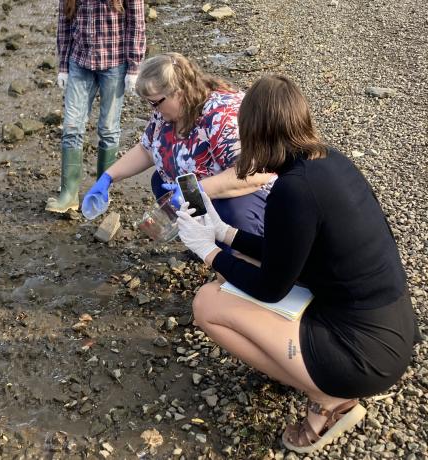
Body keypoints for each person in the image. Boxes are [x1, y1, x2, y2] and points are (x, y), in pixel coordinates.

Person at [175, 75, 417, 453]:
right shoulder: (328, 161)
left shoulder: (294, 190)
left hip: (363, 356)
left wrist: (207, 252)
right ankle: (317, 376)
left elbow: (273, 287)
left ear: (254, 132)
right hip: (391, 327)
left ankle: (328, 398)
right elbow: (287, 252)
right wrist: (223, 234)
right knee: (234, 266)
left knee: (207, 304)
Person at [81, 52, 275, 236]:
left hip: (257, 196)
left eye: (155, 102)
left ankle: (241, 256)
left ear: (179, 93)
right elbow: (147, 150)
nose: (152, 109)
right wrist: (108, 177)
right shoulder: (167, 112)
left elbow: (254, 173)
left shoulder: (220, 115)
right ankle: (206, 240)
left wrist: (195, 190)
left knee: (232, 211)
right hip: (207, 189)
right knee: (160, 180)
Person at [46, 0, 146, 213]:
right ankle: (69, 194)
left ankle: (100, 192)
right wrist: (63, 65)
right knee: (71, 127)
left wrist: (134, 67)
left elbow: (136, 23)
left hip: (115, 63)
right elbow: (64, 24)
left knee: (109, 130)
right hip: (79, 63)